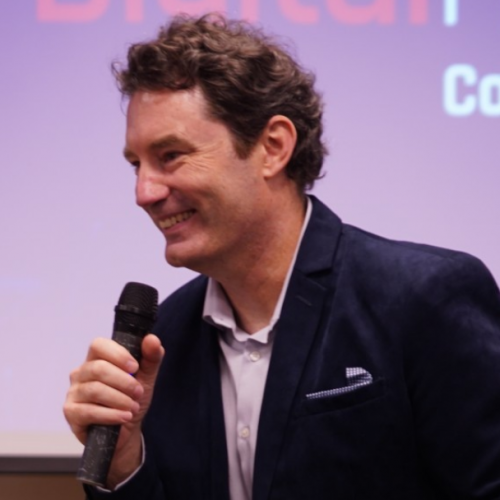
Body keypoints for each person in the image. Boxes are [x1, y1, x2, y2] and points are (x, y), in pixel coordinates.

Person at [64, 13, 500, 500]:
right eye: (136, 165)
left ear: (273, 147)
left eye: (171, 156)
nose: (144, 192)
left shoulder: (423, 299)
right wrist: (124, 463)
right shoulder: (161, 343)